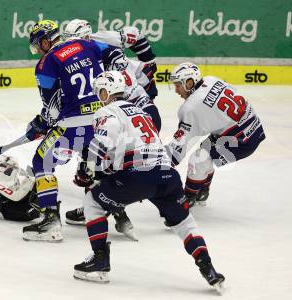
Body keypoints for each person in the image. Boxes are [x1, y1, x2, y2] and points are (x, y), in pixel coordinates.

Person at [72, 71, 225, 291]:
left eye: (100, 92)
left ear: (106, 93)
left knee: (92, 200)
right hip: (167, 175)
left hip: (137, 176)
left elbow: (105, 139)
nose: (99, 97)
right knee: (185, 224)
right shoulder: (140, 111)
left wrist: (86, 170)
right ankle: (208, 268)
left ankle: (100, 261)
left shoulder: (107, 111)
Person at [62, 19, 161, 237]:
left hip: (133, 112)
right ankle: (107, 205)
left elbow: (134, 34)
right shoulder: (98, 55)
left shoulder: (103, 46)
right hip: (140, 110)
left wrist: (149, 61)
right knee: (103, 159)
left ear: (87, 38)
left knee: (100, 157)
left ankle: (110, 208)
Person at [21, 20, 108, 242]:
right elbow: (113, 54)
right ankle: (96, 213)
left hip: (73, 125)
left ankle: (50, 221)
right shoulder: (87, 44)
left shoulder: (46, 62)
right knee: (92, 166)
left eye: (37, 46)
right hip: (102, 122)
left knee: (42, 162)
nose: (38, 51)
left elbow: (51, 110)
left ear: (45, 40)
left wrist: (39, 124)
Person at [167, 62, 266, 206]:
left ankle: (188, 199)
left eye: (178, 85)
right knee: (206, 150)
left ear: (189, 83)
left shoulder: (191, 108)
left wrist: (158, 167)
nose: (176, 90)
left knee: (198, 159)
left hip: (242, 140)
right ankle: (202, 191)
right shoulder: (210, 79)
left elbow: (180, 147)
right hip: (253, 125)